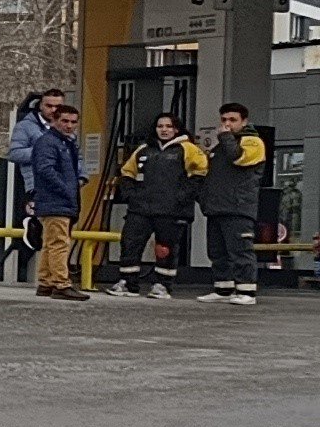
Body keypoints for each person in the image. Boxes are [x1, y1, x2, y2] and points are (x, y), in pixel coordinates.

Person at [109, 112, 205, 298]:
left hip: (172, 210)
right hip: (140, 209)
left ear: (176, 129)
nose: (164, 130)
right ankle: (128, 283)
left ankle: (163, 285)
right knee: (130, 244)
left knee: (165, 249)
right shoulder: (143, 150)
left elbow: (200, 173)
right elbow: (127, 172)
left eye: (169, 126)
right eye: (160, 126)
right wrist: (131, 194)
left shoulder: (189, 149)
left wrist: (182, 196)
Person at [11, 90, 88, 300]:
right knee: (59, 242)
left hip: (57, 198)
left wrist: (80, 179)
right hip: (55, 199)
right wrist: (66, 188)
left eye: (73, 122)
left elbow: (74, 164)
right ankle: (61, 283)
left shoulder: (66, 142)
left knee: (50, 241)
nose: (69, 126)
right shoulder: (47, 142)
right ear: (54, 120)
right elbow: (45, 169)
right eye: (65, 121)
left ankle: (45, 282)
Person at [203, 102, 270, 306]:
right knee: (217, 251)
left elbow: (238, 159)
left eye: (233, 120)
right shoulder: (219, 147)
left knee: (241, 250)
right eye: (224, 120)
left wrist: (225, 137)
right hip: (217, 207)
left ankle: (247, 291)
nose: (227, 124)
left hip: (238, 207)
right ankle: (223, 289)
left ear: (244, 121)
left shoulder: (253, 142)